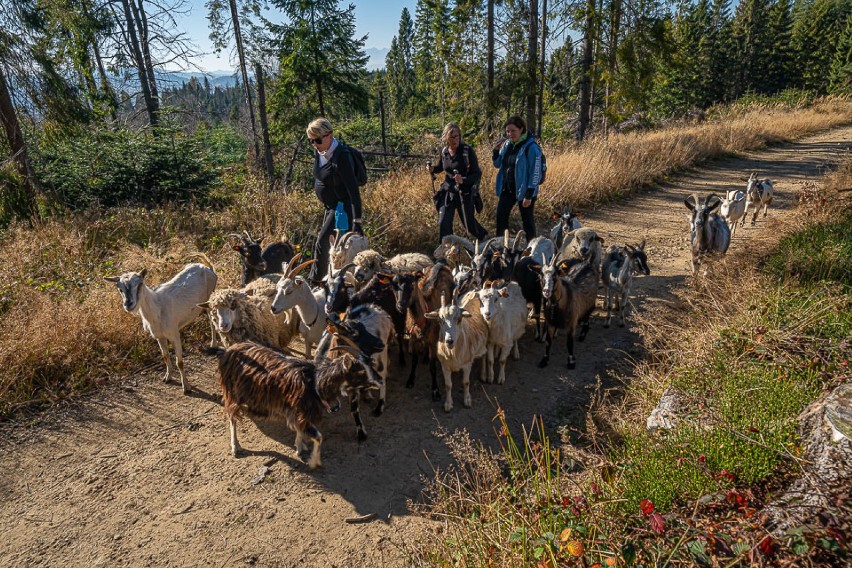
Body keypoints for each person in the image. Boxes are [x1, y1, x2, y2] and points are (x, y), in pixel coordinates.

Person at [306, 117, 363, 284]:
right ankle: (332, 281)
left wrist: (357, 221)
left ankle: (316, 283)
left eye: (317, 140)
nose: (314, 144)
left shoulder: (342, 156)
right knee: (333, 249)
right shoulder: (320, 151)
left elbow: (353, 191)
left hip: (342, 208)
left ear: (329, 136)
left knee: (322, 243)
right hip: (330, 207)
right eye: (311, 141)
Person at [427, 123, 488, 242]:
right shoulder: (444, 151)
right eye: (451, 137)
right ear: (446, 138)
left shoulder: (467, 151)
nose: (455, 140)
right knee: (443, 222)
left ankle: (486, 240)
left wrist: (463, 180)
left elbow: (477, 173)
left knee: (468, 224)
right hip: (448, 191)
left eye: (457, 136)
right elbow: (441, 167)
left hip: (464, 192)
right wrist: (433, 169)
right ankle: (445, 253)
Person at [492, 115, 542, 239]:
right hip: (507, 189)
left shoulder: (531, 147)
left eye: (513, 130)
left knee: (527, 221)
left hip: (525, 191)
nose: (510, 134)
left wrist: (529, 195)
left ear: (522, 129)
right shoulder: (507, 145)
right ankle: (501, 248)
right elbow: (497, 164)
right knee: (501, 217)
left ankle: (532, 249)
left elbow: (535, 173)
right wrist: (495, 151)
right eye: (508, 131)